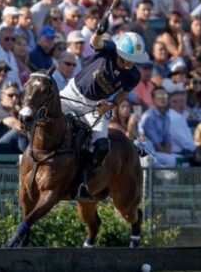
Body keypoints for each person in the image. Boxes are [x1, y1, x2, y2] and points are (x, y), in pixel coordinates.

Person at [55, 20, 146, 198]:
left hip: (96, 106)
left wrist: (111, 105)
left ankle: (83, 182)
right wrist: (99, 32)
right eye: (128, 59)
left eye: (134, 60)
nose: (130, 64)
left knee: (101, 145)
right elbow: (95, 43)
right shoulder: (109, 49)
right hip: (72, 94)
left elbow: (122, 94)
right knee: (47, 118)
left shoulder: (134, 75)